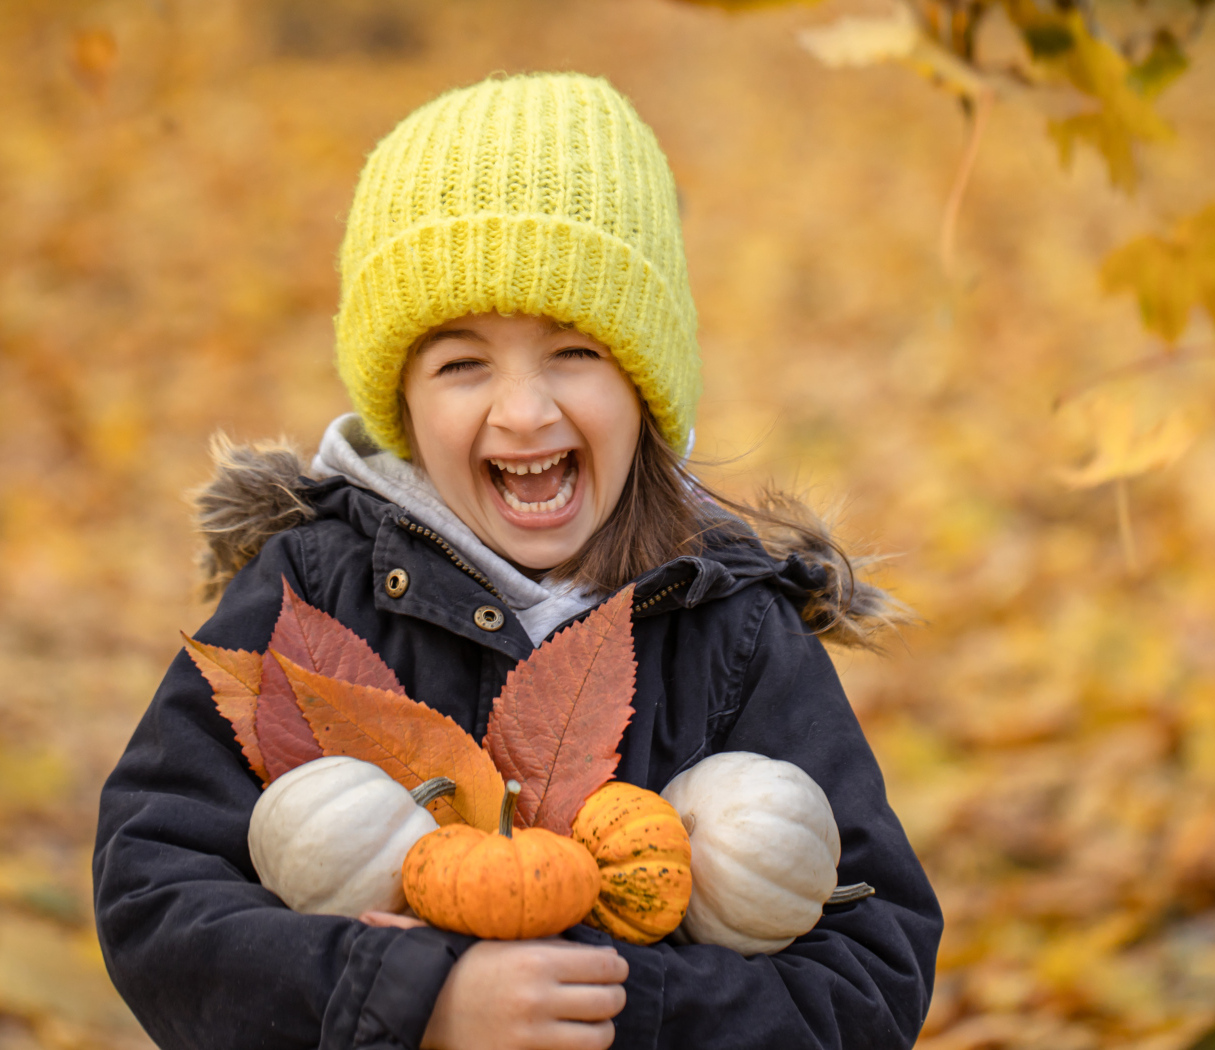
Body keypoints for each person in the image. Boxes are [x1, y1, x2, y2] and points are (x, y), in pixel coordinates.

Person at [93, 72, 942, 1050]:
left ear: (645, 379)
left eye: (574, 351)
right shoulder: (314, 594)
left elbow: (870, 968)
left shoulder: (730, 627)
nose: (525, 412)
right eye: (462, 364)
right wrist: (418, 999)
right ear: (404, 404)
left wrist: (604, 1004)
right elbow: (154, 893)